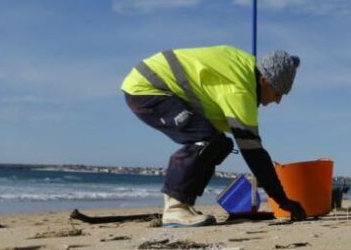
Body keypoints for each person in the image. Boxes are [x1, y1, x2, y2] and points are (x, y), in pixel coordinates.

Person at [122, 46, 307, 227]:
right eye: (278, 93)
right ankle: (175, 208)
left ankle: (184, 205)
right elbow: (254, 154)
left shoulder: (247, 70)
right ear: (265, 80)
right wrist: (283, 201)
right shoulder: (240, 90)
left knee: (220, 144)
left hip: (160, 84)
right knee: (205, 141)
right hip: (148, 87)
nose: (278, 100)